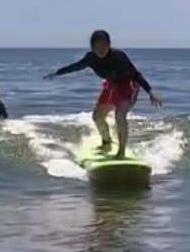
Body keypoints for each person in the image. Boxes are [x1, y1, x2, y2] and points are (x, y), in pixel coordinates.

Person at [45, 30, 161, 158]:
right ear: (92, 47)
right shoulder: (91, 58)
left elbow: (136, 74)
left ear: (109, 44)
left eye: (104, 46)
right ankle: (107, 143)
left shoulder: (118, 56)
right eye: (97, 47)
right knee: (97, 116)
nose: (101, 49)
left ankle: (121, 152)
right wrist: (57, 73)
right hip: (111, 85)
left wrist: (150, 91)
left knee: (120, 115)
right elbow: (76, 66)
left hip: (128, 85)